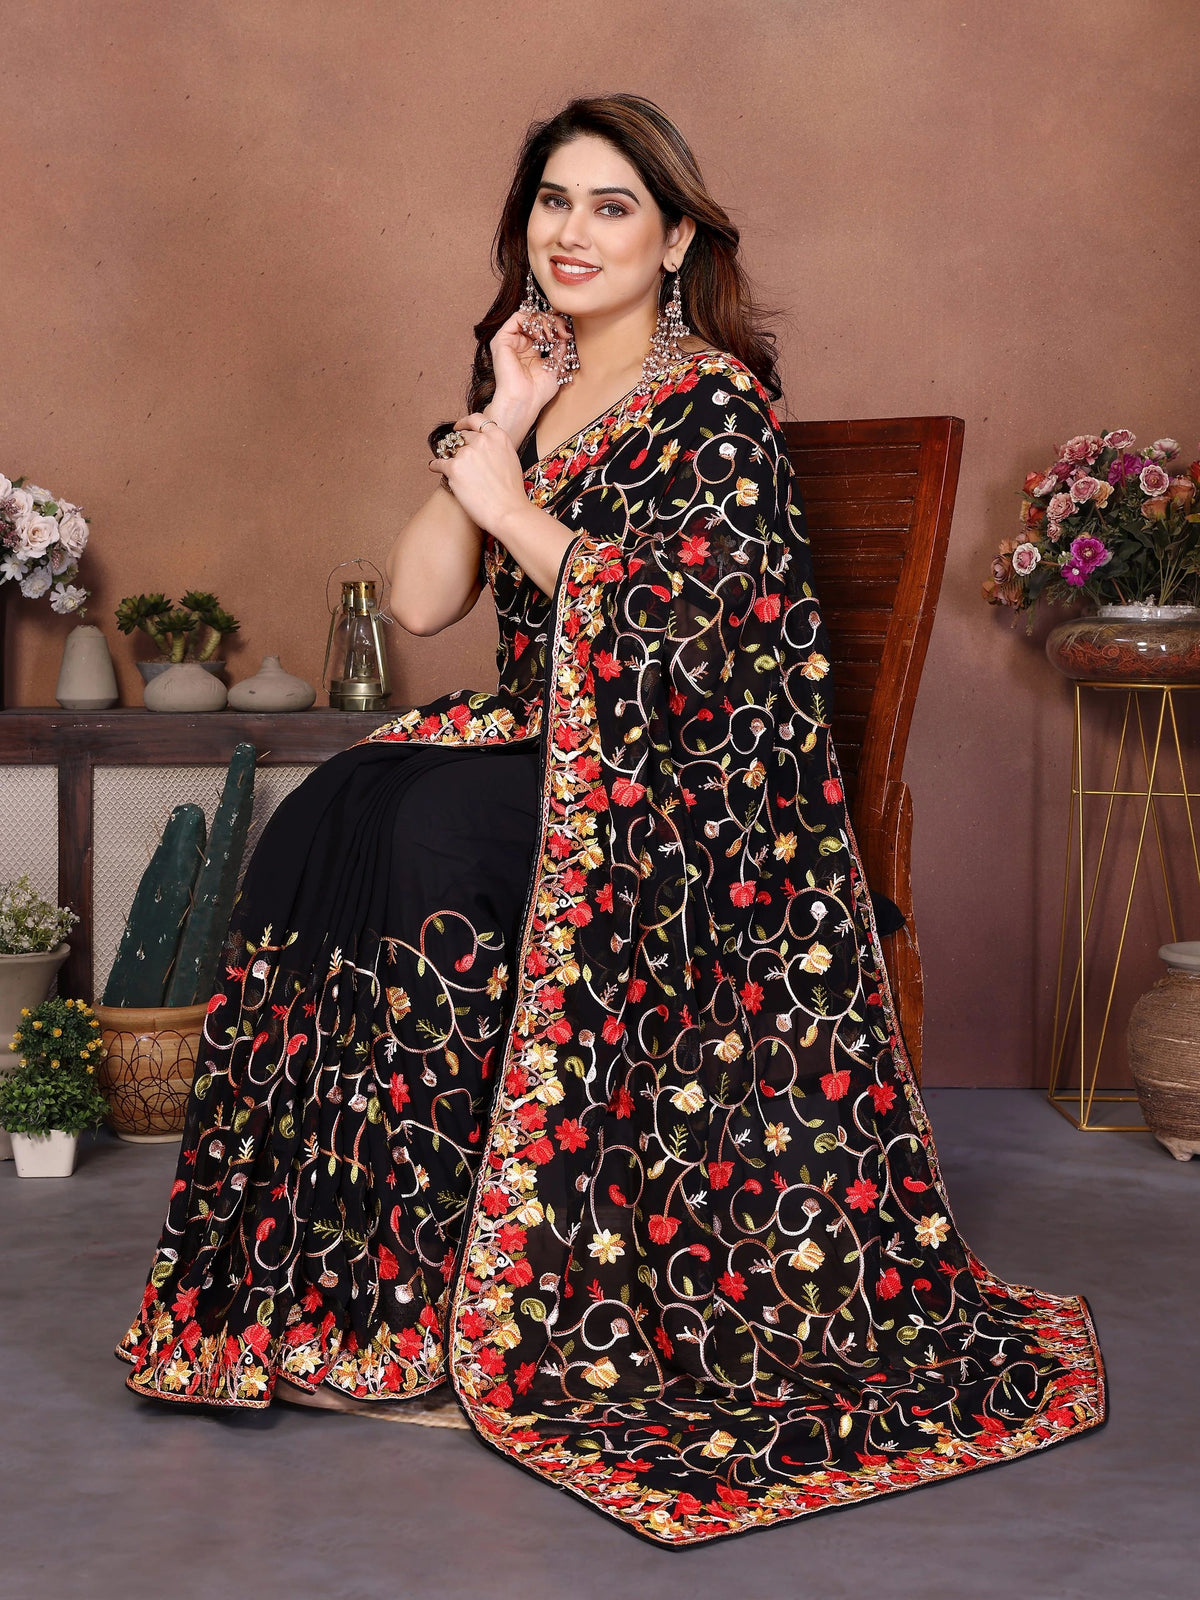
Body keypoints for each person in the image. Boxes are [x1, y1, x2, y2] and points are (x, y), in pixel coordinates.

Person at [118, 93, 1105, 1547]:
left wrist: (513, 499)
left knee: (429, 836)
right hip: (544, 739)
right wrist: (504, 420)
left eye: (609, 206)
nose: (570, 233)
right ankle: (356, 1294)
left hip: (681, 786)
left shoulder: (714, 406)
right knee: (336, 807)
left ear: (678, 234)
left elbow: (693, 636)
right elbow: (421, 601)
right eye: (551, 203)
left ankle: (471, 1299)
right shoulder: (537, 378)